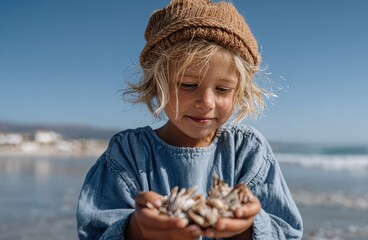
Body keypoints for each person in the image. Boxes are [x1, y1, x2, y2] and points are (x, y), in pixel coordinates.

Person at [76, 0, 303, 239]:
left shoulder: (247, 151)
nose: (206, 102)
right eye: (188, 85)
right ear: (157, 83)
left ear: (241, 91)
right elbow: (93, 231)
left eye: (223, 89)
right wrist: (138, 230)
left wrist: (247, 227)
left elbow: (287, 232)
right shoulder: (129, 153)